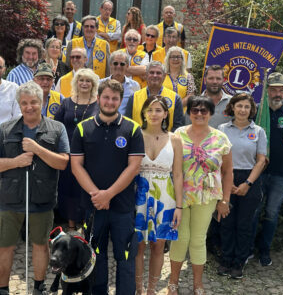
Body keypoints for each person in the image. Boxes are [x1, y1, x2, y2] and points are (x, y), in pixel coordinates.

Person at [0, 81, 70, 295]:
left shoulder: (57, 128)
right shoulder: (7, 129)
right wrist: (16, 162)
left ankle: (38, 287)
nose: (29, 107)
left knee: (41, 245)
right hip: (11, 198)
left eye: (33, 102)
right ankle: (3, 289)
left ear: (41, 102)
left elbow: (62, 162)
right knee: (5, 246)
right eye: (24, 103)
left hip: (42, 198)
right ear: (19, 105)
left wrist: (37, 149)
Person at [70, 79, 145, 295]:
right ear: (98, 98)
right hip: (93, 206)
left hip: (122, 207)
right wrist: (98, 196)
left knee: (126, 257)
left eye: (114, 98)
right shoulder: (83, 128)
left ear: (120, 101)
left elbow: (133, 167)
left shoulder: (133, 129)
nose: (110, 102)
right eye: (106, 97)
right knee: (95, 256)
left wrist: (109, 194)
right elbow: (76, 166)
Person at [167, 96, 233, 295]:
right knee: (179, 237)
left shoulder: (221, 138)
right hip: (179, 195)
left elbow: (228, 171)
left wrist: (225, 200)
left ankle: (198, 284)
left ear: (211, 114)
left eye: (204, 110)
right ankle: (173, 282)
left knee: (197, 239)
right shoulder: (177, 135)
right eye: (195, 110)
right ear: (189, 113)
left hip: (207, 196)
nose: (199, 114)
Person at [134, 96, 184, 295]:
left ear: (165, 114)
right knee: (138, 245)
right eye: (150, 110)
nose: (153, 114)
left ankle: (152, 290)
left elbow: (178, 174)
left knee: (158, 245)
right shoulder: (135, 134)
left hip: (165, 196)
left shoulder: (175, 139)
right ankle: (138, 289)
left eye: (158, 110)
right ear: (144, 113)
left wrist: (179, 207)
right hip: (139, 195)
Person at [216, 93, 267, 279]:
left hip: (249, 178)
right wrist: (226, 183)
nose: (243, 110)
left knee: (244, 224)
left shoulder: (259, 131)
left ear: (251, 109)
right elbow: (217, 158)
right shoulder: (222, 129)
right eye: (239, 106)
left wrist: (247, 183)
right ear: (233, 107)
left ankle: (239, 262)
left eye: (246, 107)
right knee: (226, 222)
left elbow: (261, 161)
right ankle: (226, 259)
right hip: (225, 177)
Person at [253, 72, 283, 267]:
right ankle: (248, 249)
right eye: (274, 89)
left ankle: (264, 250)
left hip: (280, 173)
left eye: (281, 90)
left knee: (271, 212)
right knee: (254, 210)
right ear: (267, 90)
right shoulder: (257, 111)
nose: (278, 93)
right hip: (258, 171)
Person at [54, 68, 100, 231]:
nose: (84, 83)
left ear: (93, 84)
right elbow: (56, 126)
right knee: (68, 187)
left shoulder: (98, 103)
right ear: (76, 82)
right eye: (81, 80)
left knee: (85, 186)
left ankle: (87, 221)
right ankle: (71, 222)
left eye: (88, 81)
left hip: (90, 153)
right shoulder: (66, 102)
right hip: (68, 152)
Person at [125, 61, 184, 132]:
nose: (155, 75)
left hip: (166, 141)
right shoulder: (134, 97)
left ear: (164, 76)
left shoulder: (175, 98)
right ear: (146, 75)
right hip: (139, 141)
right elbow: (128, 124)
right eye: (151, 72)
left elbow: (178, 127)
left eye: (158, 73)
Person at [99, 50, 140, 115]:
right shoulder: (100, 83)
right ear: (110, 65)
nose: (118, 66)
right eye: (115, 63)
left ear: (127, 66)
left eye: (122, 64)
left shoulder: (135, 86)